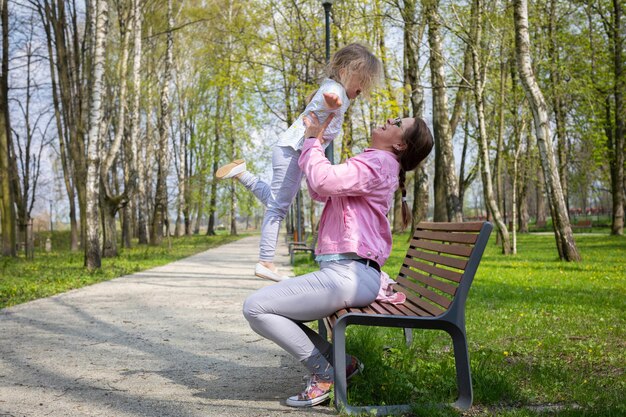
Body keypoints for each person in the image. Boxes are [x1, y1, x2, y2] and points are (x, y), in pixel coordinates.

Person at [242, 111, 434, 408]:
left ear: (400, 145)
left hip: (350, 274)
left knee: (256, 308)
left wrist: (312, 142)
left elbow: (322, 181)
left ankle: (324, 374)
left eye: (398, 124)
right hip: (350, 274)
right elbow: (322, 192)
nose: (391, 120)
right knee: (268, 307)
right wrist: (314, 145)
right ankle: (340, 364)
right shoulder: (378, 162)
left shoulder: (380, 162)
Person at [215, 43, 382, 282]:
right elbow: (326, 99)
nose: (364, 88)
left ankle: (242, 174)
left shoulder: (336, 90)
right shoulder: (335, 89)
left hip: (291, 151)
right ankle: (265, 261)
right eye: (362, 81)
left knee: (277, 201)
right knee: (277, 208)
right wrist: (332, 102)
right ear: (346, 71)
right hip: (292, 150)